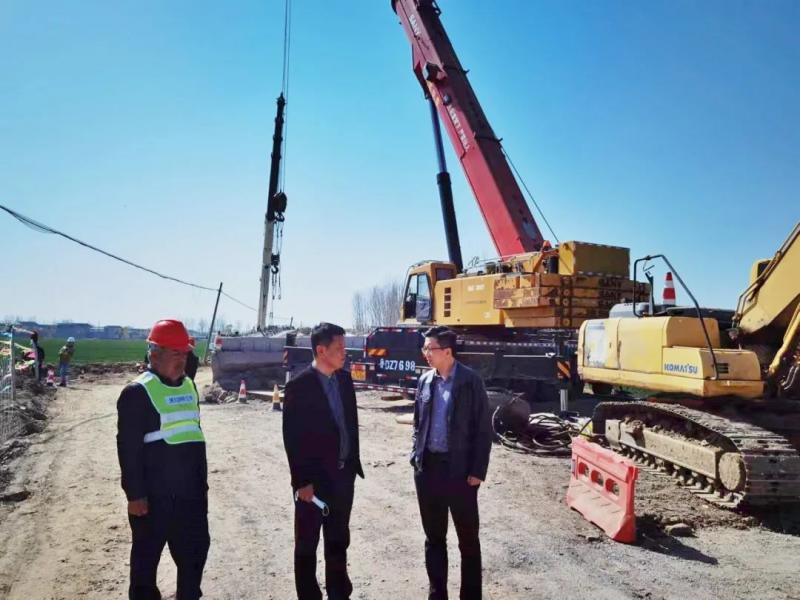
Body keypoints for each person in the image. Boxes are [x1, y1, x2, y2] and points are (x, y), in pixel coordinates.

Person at [116, 319, 210, 600]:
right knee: (145, 565)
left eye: (185, 354)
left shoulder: (189, 386)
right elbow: (128, 449)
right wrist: (135, 495)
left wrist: (202, 489)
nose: (182, 360)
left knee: (195, 555)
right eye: (175, 353)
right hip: (153, 500)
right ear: (154, 354)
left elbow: (192, 435)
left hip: (190, 496)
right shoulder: (137, 393)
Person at [282, 322, 364, 600]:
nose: (344, 352)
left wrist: (351, 466)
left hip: (342, 477)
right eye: (339, 347)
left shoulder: (344, 381)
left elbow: (349, 425)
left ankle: (339, 593)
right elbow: (293, 439)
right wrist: (301, 482)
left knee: (338, 541)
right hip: (313, 485)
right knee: (307, 545)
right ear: (321, 350)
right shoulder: (299, 387)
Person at [410, 326, 493, 600]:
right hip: (428, 471)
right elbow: (418, 423)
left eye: (429, 348)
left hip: (460, 472)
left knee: (468, 541)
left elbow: (483, 430)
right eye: (424, 348)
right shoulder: (425, 381)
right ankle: (437, 594)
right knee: (434, 539)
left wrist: (477, 471)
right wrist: (416, 456)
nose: (425, 353)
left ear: (447, 352)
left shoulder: (470, 382)